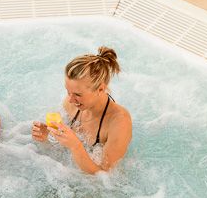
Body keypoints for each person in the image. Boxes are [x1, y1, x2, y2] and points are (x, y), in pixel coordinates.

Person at [31, 46, 132, 174]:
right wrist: (47, 136)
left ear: (100, 89)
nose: (70, 100)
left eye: (78, 95)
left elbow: (105, 176)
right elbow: (62, 151)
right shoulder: (72, 103)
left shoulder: (119, 122)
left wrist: (76, 146)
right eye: (68, 91)